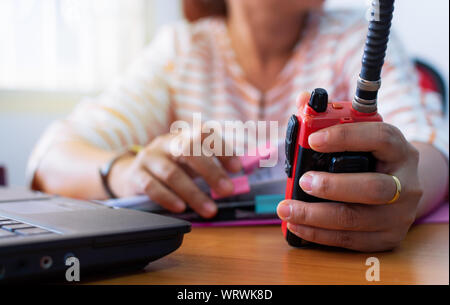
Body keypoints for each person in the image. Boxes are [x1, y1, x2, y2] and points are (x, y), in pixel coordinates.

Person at [28, 0, 448, 252]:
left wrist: (401, 188)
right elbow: (52, 156)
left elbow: (432, 144)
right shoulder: (183, 49)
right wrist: (126, 172)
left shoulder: (354, 36)